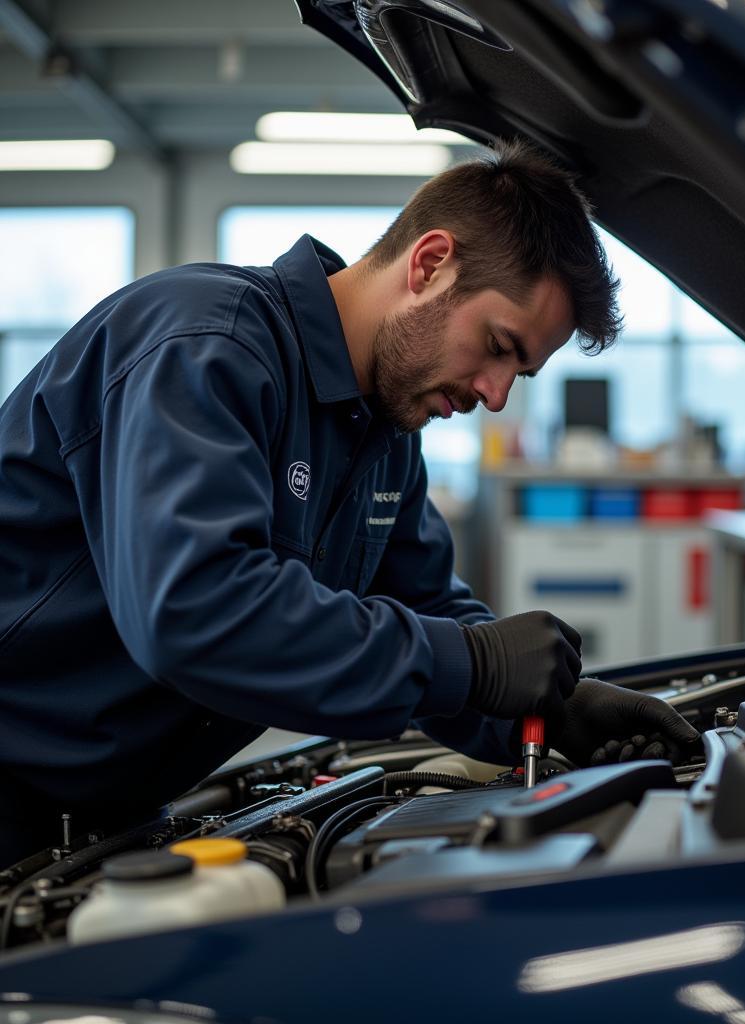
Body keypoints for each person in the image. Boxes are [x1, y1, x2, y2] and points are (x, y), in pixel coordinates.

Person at [0, 141, 696, 865]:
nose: (495, 395)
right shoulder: (207, 345)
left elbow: (428, 613)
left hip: (107, 817)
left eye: (519, 374)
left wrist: (555, 709)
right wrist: (474, 663)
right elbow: (196, 610)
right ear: (429, 264)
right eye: (497, 346)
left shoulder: (387, 433)